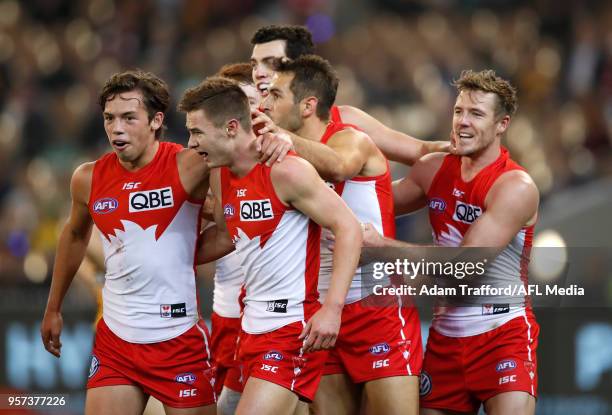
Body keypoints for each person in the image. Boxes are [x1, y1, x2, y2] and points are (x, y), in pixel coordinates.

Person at [40, 70, 234, 415]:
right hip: (116, 342)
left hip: (178, 340)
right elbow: (73, 235)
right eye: (109, 118)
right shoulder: (87, 178)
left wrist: (186, 254)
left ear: (156, 120)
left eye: (129, 118)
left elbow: (232, 226)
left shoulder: (190, 164)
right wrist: (53, 307)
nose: (117, 128)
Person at [179, 76, 362, 415]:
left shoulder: (287, 170)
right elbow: (224, 235)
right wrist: (163, 258)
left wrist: (332, 309)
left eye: (197, 132)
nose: (192, 143)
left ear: (232, 127)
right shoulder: (220, 173)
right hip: (250, 329)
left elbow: (348, 226)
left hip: (291, 330)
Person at [362, 69, 539, 415]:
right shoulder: (433, 168)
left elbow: (465, 267)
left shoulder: (515, 186)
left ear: (502, 124)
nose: (462, 122)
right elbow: (372, 202)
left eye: (476, 114)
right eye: (459, 111)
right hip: (446, 337)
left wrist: (381, 245)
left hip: (502, 334)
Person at [257, 54, 422, 415]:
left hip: (376, 308)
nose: (265, 104)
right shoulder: (281, 161)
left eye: (276, 95)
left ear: (307, 105)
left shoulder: (351, 139)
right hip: (319, 311)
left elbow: (340, 166)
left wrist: (280, 136)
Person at [249, 24, 449, 165]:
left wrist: (475, 150)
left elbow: (421, 152)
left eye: (271, 62)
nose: (259, 73)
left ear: (302, 66)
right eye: (254, 64)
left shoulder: (345, 120)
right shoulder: (242, 126)